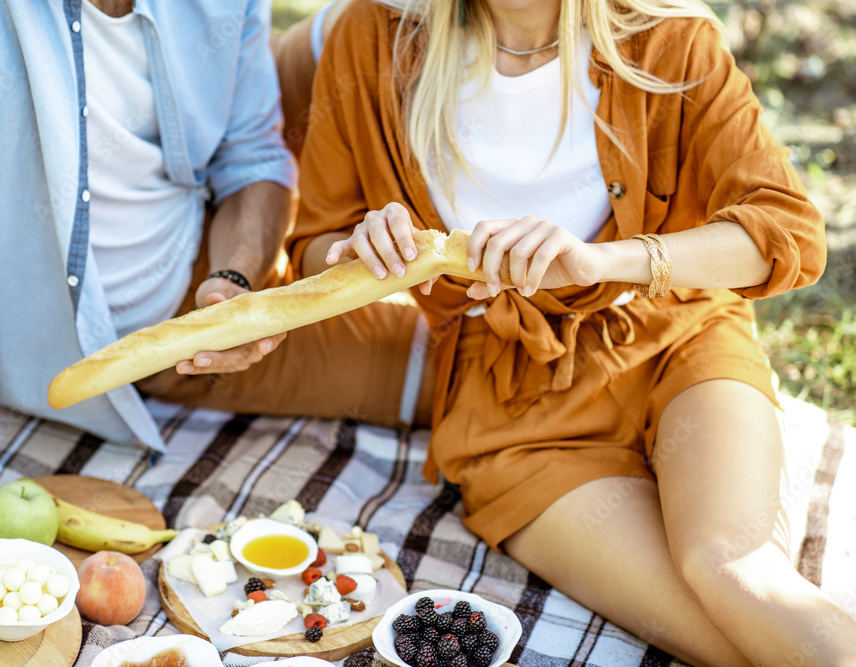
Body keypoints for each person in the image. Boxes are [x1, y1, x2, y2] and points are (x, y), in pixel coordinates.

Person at [288, 0, 856, 663]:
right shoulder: (373, 38)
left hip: (679, 339)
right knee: (726, 644)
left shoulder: (669, 40)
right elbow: (311, 246)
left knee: (733, 569)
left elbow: (786, 231)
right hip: (513, 412)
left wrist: (606, 262)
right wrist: (362, 247)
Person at [0, 0, 430, 445]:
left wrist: (234, 283)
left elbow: (253, 159)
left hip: (219, 284)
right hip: (94, 350)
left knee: (455, 367)